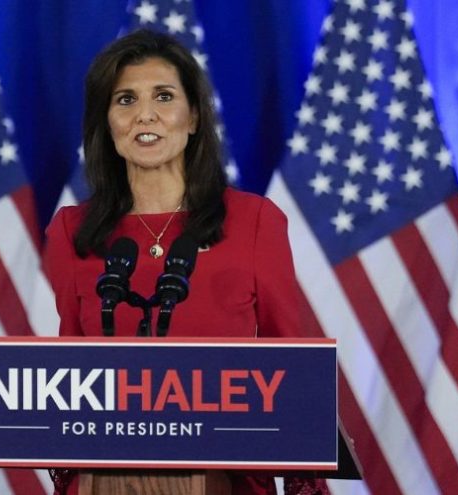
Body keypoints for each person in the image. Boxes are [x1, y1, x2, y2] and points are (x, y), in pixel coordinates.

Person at [43, 29, 330, 495]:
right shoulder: (72, 231)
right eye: (125, 100)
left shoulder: (253, 222)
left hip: (227, 480)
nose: (145, 114)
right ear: (107, 122)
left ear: (193, 116)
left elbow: (288, 364)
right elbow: (72, 375)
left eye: (163, 96)